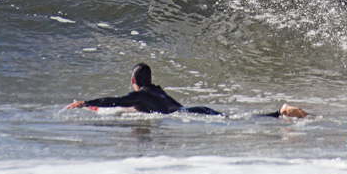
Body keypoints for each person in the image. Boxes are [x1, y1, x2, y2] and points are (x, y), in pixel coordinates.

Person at [64, 63, 308, 118]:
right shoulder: (154, 91)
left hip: (191, 115)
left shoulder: (140, 95)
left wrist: (86, 103)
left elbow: (116, 101)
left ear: (132, 80)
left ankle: (281, 112)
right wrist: (96, 107)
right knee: (234, 119)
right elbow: (128, 106)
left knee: (237, 121)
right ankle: (279, 113)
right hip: (194, 110)